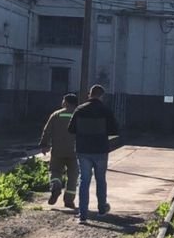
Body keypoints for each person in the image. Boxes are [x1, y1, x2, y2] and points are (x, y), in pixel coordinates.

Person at [67, 84, 120, 224]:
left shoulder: (80, 109)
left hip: (83, 150)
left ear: (90, 94)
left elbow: (71, 129)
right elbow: (114, 130)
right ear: (102, 96)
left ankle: (83, 215)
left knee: (84, 180)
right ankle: (102, 209)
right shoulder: (106, 110)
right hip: (100, 149)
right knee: (100, 179)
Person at [38, 92, 79, 209]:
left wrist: (44, 145)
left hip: (58, 150)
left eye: (63, 100)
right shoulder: (79, 115)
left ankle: (56, 184)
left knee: (55, 171)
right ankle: (69, 200)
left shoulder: (56, 114)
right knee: (73, 176)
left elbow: (47, 130)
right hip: (75, 151)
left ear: (66, 102)